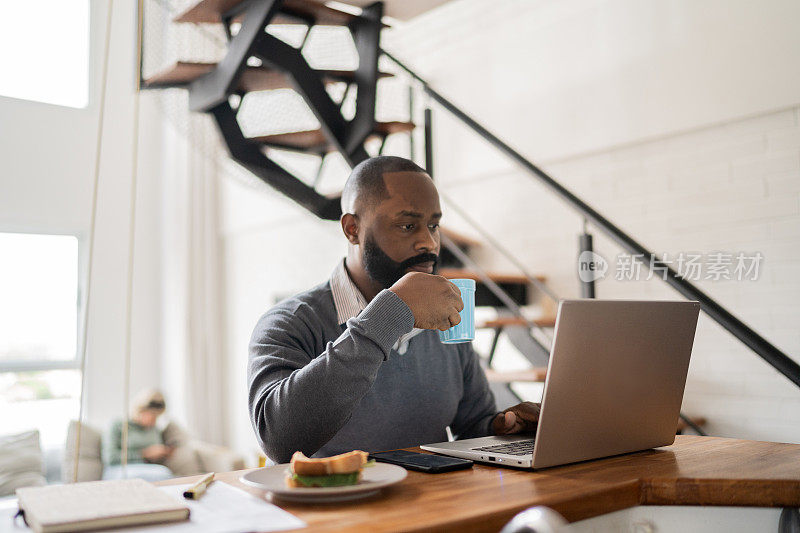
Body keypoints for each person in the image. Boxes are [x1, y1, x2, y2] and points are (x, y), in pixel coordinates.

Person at [248, 156, 541, 464]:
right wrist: (391, 314)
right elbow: (278, 440)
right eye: (407, 225)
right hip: (336, 508)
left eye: (433, 225)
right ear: (352, 229)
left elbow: (471, 424)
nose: (429, 243)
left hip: (435, 506)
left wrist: (501, 426)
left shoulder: (446, 318)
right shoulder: (290, 323)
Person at [104, 389, 173, 481]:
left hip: (148, 468)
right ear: (140, 410)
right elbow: (110, 458)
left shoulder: (154, 429)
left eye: (158, 417)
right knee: (161, 475)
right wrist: (144, 454)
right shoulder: (118, 425)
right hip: (118, 469)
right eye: (153, 416)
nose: (154, 421)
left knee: (164, 473)